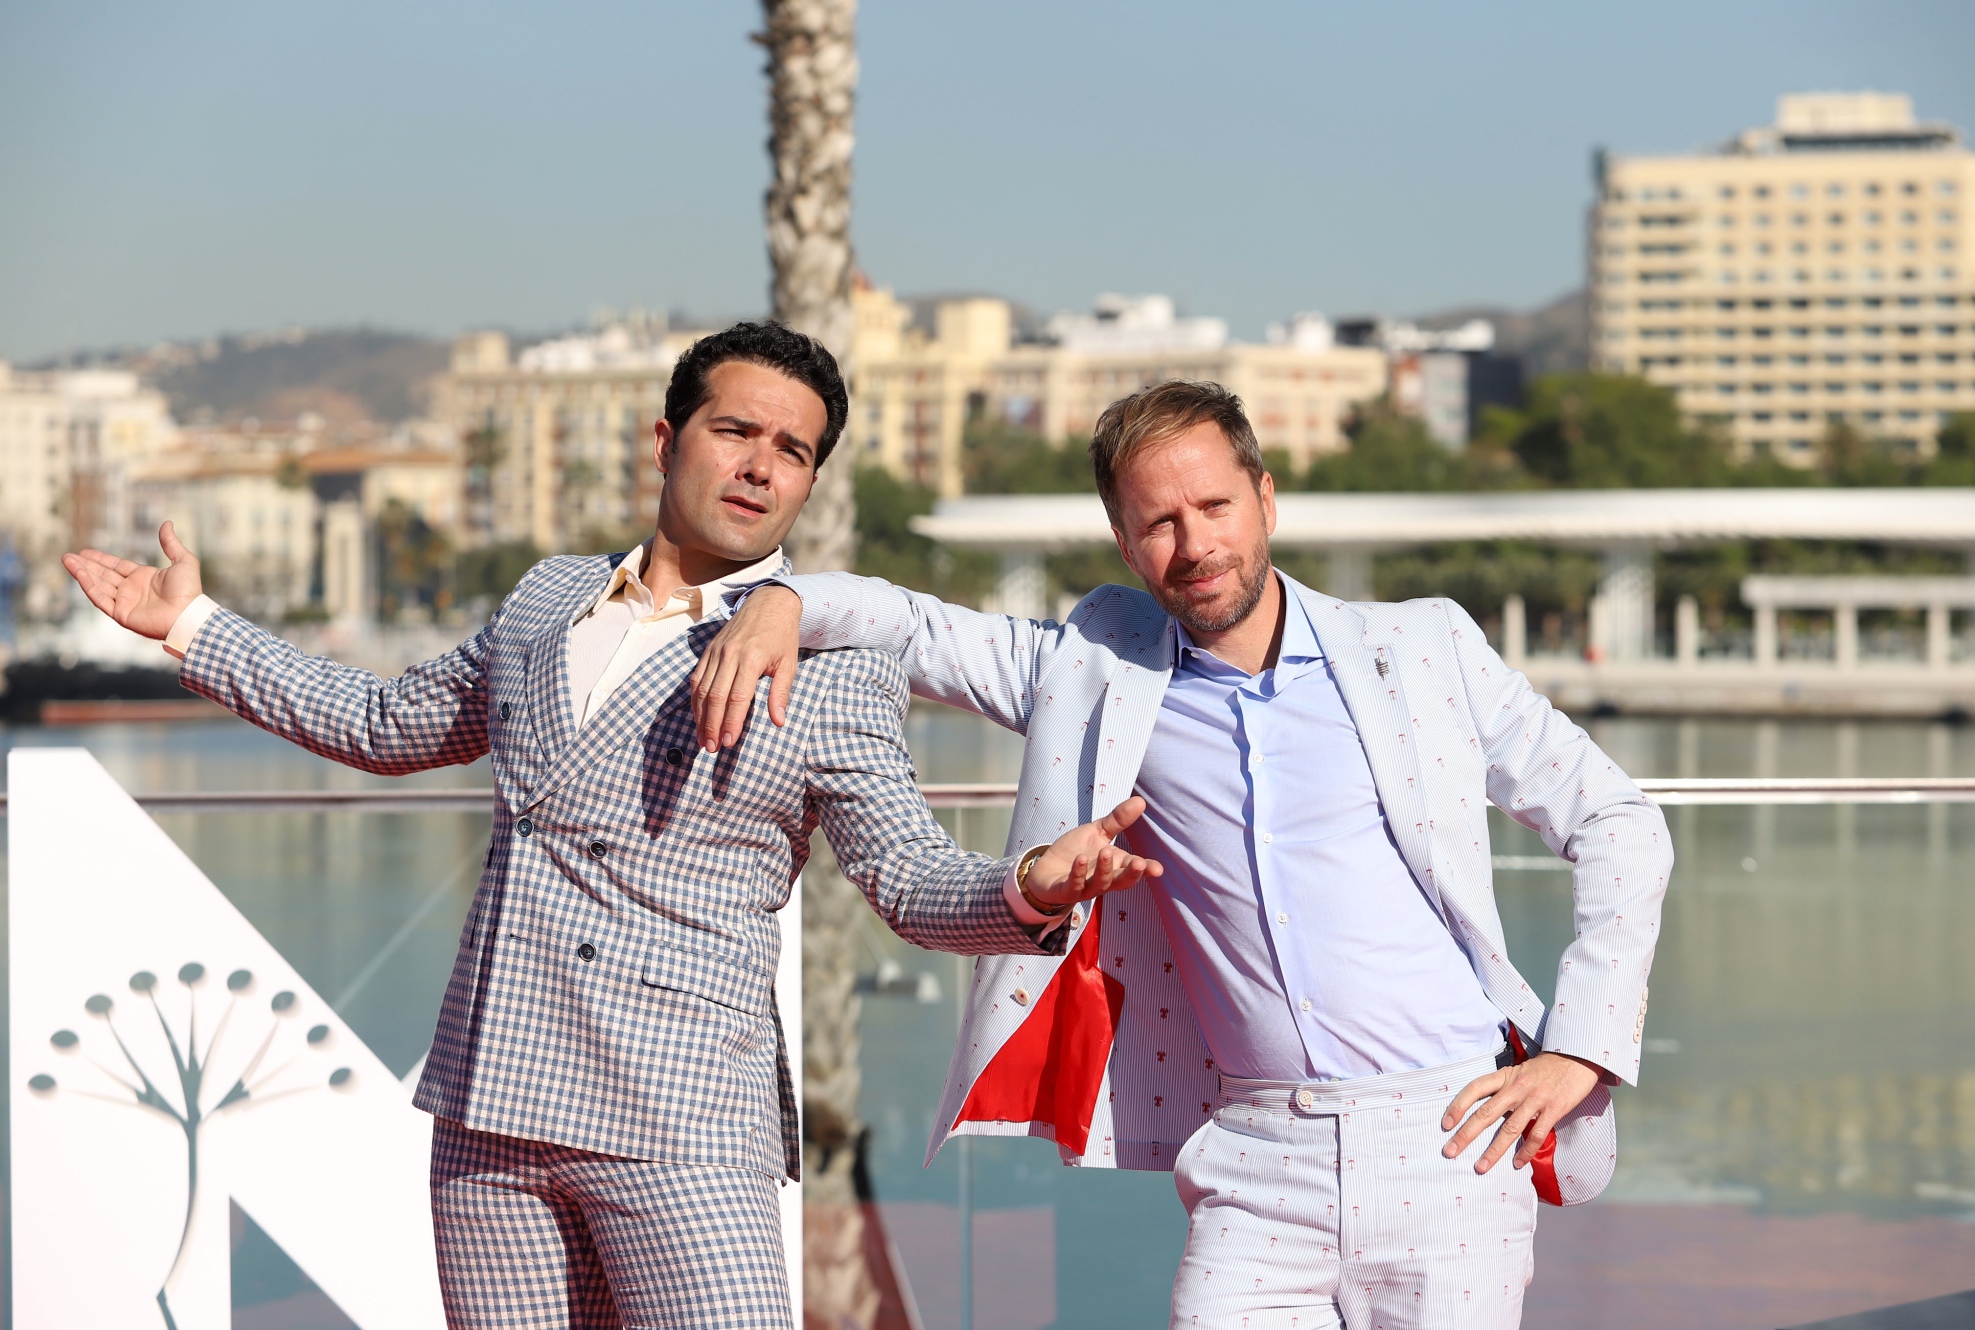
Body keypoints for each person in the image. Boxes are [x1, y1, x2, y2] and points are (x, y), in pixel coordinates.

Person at [61, 321, 1162, 1330]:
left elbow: (908, 878)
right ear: (665, 441)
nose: (760, 465)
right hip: (491, 1112)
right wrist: (192, 625)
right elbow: (386, 724)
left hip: (683, 1121)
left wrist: (1029, 883)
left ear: (809, 482)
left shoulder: (835, 664)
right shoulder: (547, 599)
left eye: (791, 450)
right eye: (734, 431)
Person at [690, 378, 1673, 1330]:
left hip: (1450, 1134)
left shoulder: (1421, 648)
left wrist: (1580, 1050)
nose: (1195, 544)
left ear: (1265, 500)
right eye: (1158, 522)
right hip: (1254, 1153)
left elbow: (1615, 820)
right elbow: (917, 626)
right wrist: (785, 602)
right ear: (1124, 543)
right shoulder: (1095, 669)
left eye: (1214, 506)